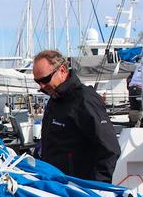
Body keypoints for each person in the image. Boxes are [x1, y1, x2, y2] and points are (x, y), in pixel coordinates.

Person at [32, 49, 120, 183]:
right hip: (56, 184)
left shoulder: (85, 100)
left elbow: (109, 148)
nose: (42, 86)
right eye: (38, 82)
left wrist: (97, 189)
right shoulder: (54, 99)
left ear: (62, 70)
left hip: (78, 188)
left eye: (45, 79)